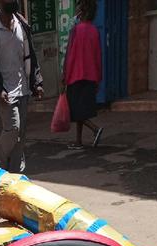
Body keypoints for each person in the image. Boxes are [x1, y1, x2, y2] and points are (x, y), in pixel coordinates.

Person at [0, 1, 44, 173]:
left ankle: (15, 175)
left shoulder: (22, 23)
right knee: (13, 130)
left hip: (23, 88)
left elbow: (30, 54)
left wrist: (36, 82)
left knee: (21, 136)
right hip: (4, 92)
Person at [63, 0, 103, 150]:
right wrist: (99, 77)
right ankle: (78, 140)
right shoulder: (94, 30)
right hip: (90, 75)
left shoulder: (76, 30)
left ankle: (95, 129)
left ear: (82, 12)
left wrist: (65, 74)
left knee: (76, 110)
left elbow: (69, 54)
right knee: (81, 108)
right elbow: (98, 55)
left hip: (75, 74)